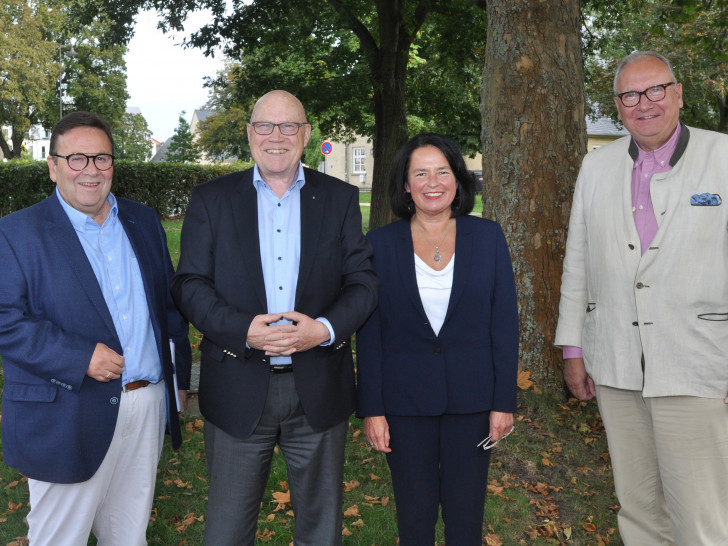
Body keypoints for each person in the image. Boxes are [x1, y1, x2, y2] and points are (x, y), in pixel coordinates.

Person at [171, 90, 378, 545]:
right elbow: (188, 285)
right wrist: (242, 329)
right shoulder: (212, 199)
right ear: (250, 134)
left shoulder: (340, 199)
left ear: (305, 134)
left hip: (318, 391)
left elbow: (363, 284)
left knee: (321, 531)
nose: (276, 137)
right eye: (265, 126)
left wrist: (322, 331)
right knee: (226, 532)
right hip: (237, 386)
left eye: (289, 126)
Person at [556, 51, 728, 545]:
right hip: (616, 364)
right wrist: (573, 350)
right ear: (618, 105)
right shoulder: (597, 166)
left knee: (701, 515)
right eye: (630, 95)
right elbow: (578, 260)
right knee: (638, 507)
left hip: (698, 364)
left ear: (677, 94)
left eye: (655, 90)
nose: (644, 103)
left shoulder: (721, 157)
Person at [0, 111, 192, 545]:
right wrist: (79, 357)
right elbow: (5, 320)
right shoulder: (15, 233)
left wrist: (178, 376)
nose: (91, 170)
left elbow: (168, 305)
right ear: (52, 166)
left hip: (146, 403)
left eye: (101, 158)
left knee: (128, 536)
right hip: (67, 412)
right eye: (76, 158)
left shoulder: (143, 221)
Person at [356, 132, 519, 545]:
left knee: (466, 522)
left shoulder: (488, 238)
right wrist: (371, 409)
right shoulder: (378, 245)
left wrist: (503, 403)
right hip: (404, 405)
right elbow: (370, 334)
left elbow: (503, 325)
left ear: (458, 179)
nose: (433, 182)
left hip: (473, 404)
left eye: (443, 171)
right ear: (406, 185)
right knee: (414, 519)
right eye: (421, 173)